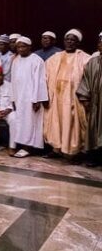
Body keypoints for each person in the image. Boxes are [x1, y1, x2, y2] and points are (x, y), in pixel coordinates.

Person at [44, 29, 91, 159]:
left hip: (74, 98)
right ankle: (57, 149)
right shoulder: (55, 58)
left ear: (78, 43)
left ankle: (73, 152)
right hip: (56, 97)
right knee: (56, 123)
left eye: (72, 40)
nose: (69, 42)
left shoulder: (85, 58)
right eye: (67, 39)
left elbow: (88, 79)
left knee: (72, 124)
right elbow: (45, 76)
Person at [9, 36, 49, 158]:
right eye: (18, 47)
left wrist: (37, 99)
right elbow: (13, 81)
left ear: (29, 47)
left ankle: (28, 148)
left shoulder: (37, 60)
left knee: (31, 122)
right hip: (19, 98)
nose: (21, 49)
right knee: (22, 122)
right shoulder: (16, 61)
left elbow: (40, 81)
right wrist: (13, 99)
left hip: (32, 98)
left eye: (23, 46)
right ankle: (23, 146)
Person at [76, 38, 102, 167]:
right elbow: (85, 79)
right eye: (100, 43)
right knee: (94, 130)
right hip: (95, 104)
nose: (100, 45)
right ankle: (94, 158)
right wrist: (85, 97)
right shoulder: (93, 61)